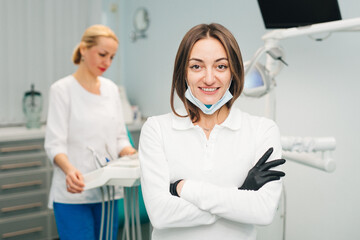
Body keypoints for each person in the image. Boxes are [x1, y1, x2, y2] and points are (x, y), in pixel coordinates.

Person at [138, 23, 286, 240]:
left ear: (234, 72)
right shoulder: (156, 129)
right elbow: (160, 215)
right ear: (183, 72)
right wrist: (241, 195)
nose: (209, 78)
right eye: (197, 67)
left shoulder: (262, 130)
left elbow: (263, 212)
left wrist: (183, 188)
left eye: (221, 66)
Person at [44, 24, 136, 240]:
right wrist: (69, 170)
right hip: (74, 194)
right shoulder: (62, 89)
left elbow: (119, 138)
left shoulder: (111, 89)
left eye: (112, 57)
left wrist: (133, 154)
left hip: (107, 192)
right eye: (103, 54)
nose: (107, 62)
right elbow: (54, 144)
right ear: (84, 49)